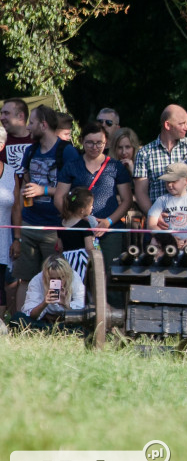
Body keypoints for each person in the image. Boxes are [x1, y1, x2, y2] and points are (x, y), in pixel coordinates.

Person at [11, 105, 82, 312]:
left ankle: (57, 320)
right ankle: (22, 321)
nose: (29, 128)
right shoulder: (31, 150)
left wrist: (43, 190)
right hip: (29, 221)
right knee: (24, 277)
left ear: (43, 125)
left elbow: (74, 191)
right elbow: (25, 180)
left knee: (57, 278)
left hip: (54, 226)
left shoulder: (67, 151)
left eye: (32, 123)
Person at [55, 122, 132, 268]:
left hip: (110, 230)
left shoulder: (116, 167)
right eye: (90, 142)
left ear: (106, 142)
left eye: (99, 143)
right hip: (78, 230)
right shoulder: (72, 165)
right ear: (81, 141)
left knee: (110, 273)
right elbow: (59, 198)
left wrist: (108, 222)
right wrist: (76, 219)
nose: (95, 147)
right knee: (77, 273)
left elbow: (127, 200)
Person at [133, 104, 187, 215]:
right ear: (167, 125)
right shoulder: (145, 153)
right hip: (158, 226)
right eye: (182, 124)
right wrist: (155, 216)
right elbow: (140, 192)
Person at [146, 162, 187, 250]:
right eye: (167, 182)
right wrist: (170, 239)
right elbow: (151, 225)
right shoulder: (161, 200)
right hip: (167, 249)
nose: (170, 185)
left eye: (174, 181)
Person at [12, 255, 85, 330]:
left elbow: (82, 308)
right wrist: (44, 303)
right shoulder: (37, 280)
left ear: (66, 275)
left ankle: (52, 330)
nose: (57, 281)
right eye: (52, 279)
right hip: (45, 321)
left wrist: (66, 305)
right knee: (17, 318)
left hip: (68, 320)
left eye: (60, 278)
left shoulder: (74, 277)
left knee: (90, 318)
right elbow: (30, 314)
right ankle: (55, 330)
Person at [0, 126, 20, 317]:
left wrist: (17, 238)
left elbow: (16, 208)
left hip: (3, 239)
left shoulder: (10, 173)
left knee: (1, 285)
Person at [58, 186, 97, 281]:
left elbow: (60, 246)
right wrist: (96, 255)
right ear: (82, 210)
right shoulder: (84, 224)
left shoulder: (62, 223)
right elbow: (89, 247)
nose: (92, 207)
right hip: (80, 260)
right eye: (91, 205)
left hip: (66, 260)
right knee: (80, 287)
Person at [1, 98, 35, 174]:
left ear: (20, 116)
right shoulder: (1, 141)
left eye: (6, 113)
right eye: (1, 113)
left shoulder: (38, 141)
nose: (1, 118)